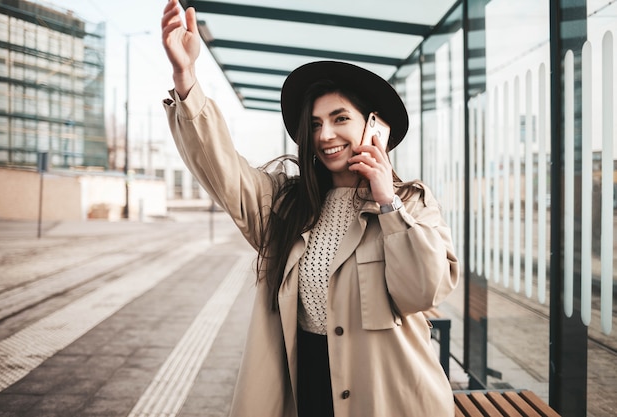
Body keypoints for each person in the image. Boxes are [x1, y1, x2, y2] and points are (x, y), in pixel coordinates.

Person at [160, 1, 459, 416]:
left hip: (387, 396)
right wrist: (186, 77)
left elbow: (422, 291)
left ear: (374, 126)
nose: (326, 134)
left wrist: (386, 201)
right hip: (308, 387)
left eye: (340, 119)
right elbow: (222, 167)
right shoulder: (286, 205)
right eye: (316, 124)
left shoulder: (410, 204)